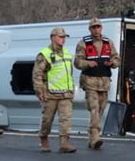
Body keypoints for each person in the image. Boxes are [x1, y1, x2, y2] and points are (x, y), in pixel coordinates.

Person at [73, 17, 121, 149]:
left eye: (98, 27)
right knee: (94, 108)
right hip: (90, 81)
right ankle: (95, 137)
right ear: (90, 29)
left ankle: (92, 136)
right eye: (93, 27)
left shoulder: (108, 42)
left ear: (101, 28)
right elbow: (77, 62)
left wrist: (112, 63)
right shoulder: (83, 43)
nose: (96, 29)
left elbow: (117, 58)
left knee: (100, 109)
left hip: (104, 82)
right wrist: (88, 63)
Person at [33, 27, 76, 152]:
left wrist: (71, 88)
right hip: (50, 93)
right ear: (53, 37)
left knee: (66, 119)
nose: (63, 40)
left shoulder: (67, 53)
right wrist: (39, 91)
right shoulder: (45, 54)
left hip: (65, 93)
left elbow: (69, 73)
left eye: (64, 37)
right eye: (60, 37)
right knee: (47, 119)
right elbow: (37, 74)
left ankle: (64, 143)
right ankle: (44, 138)